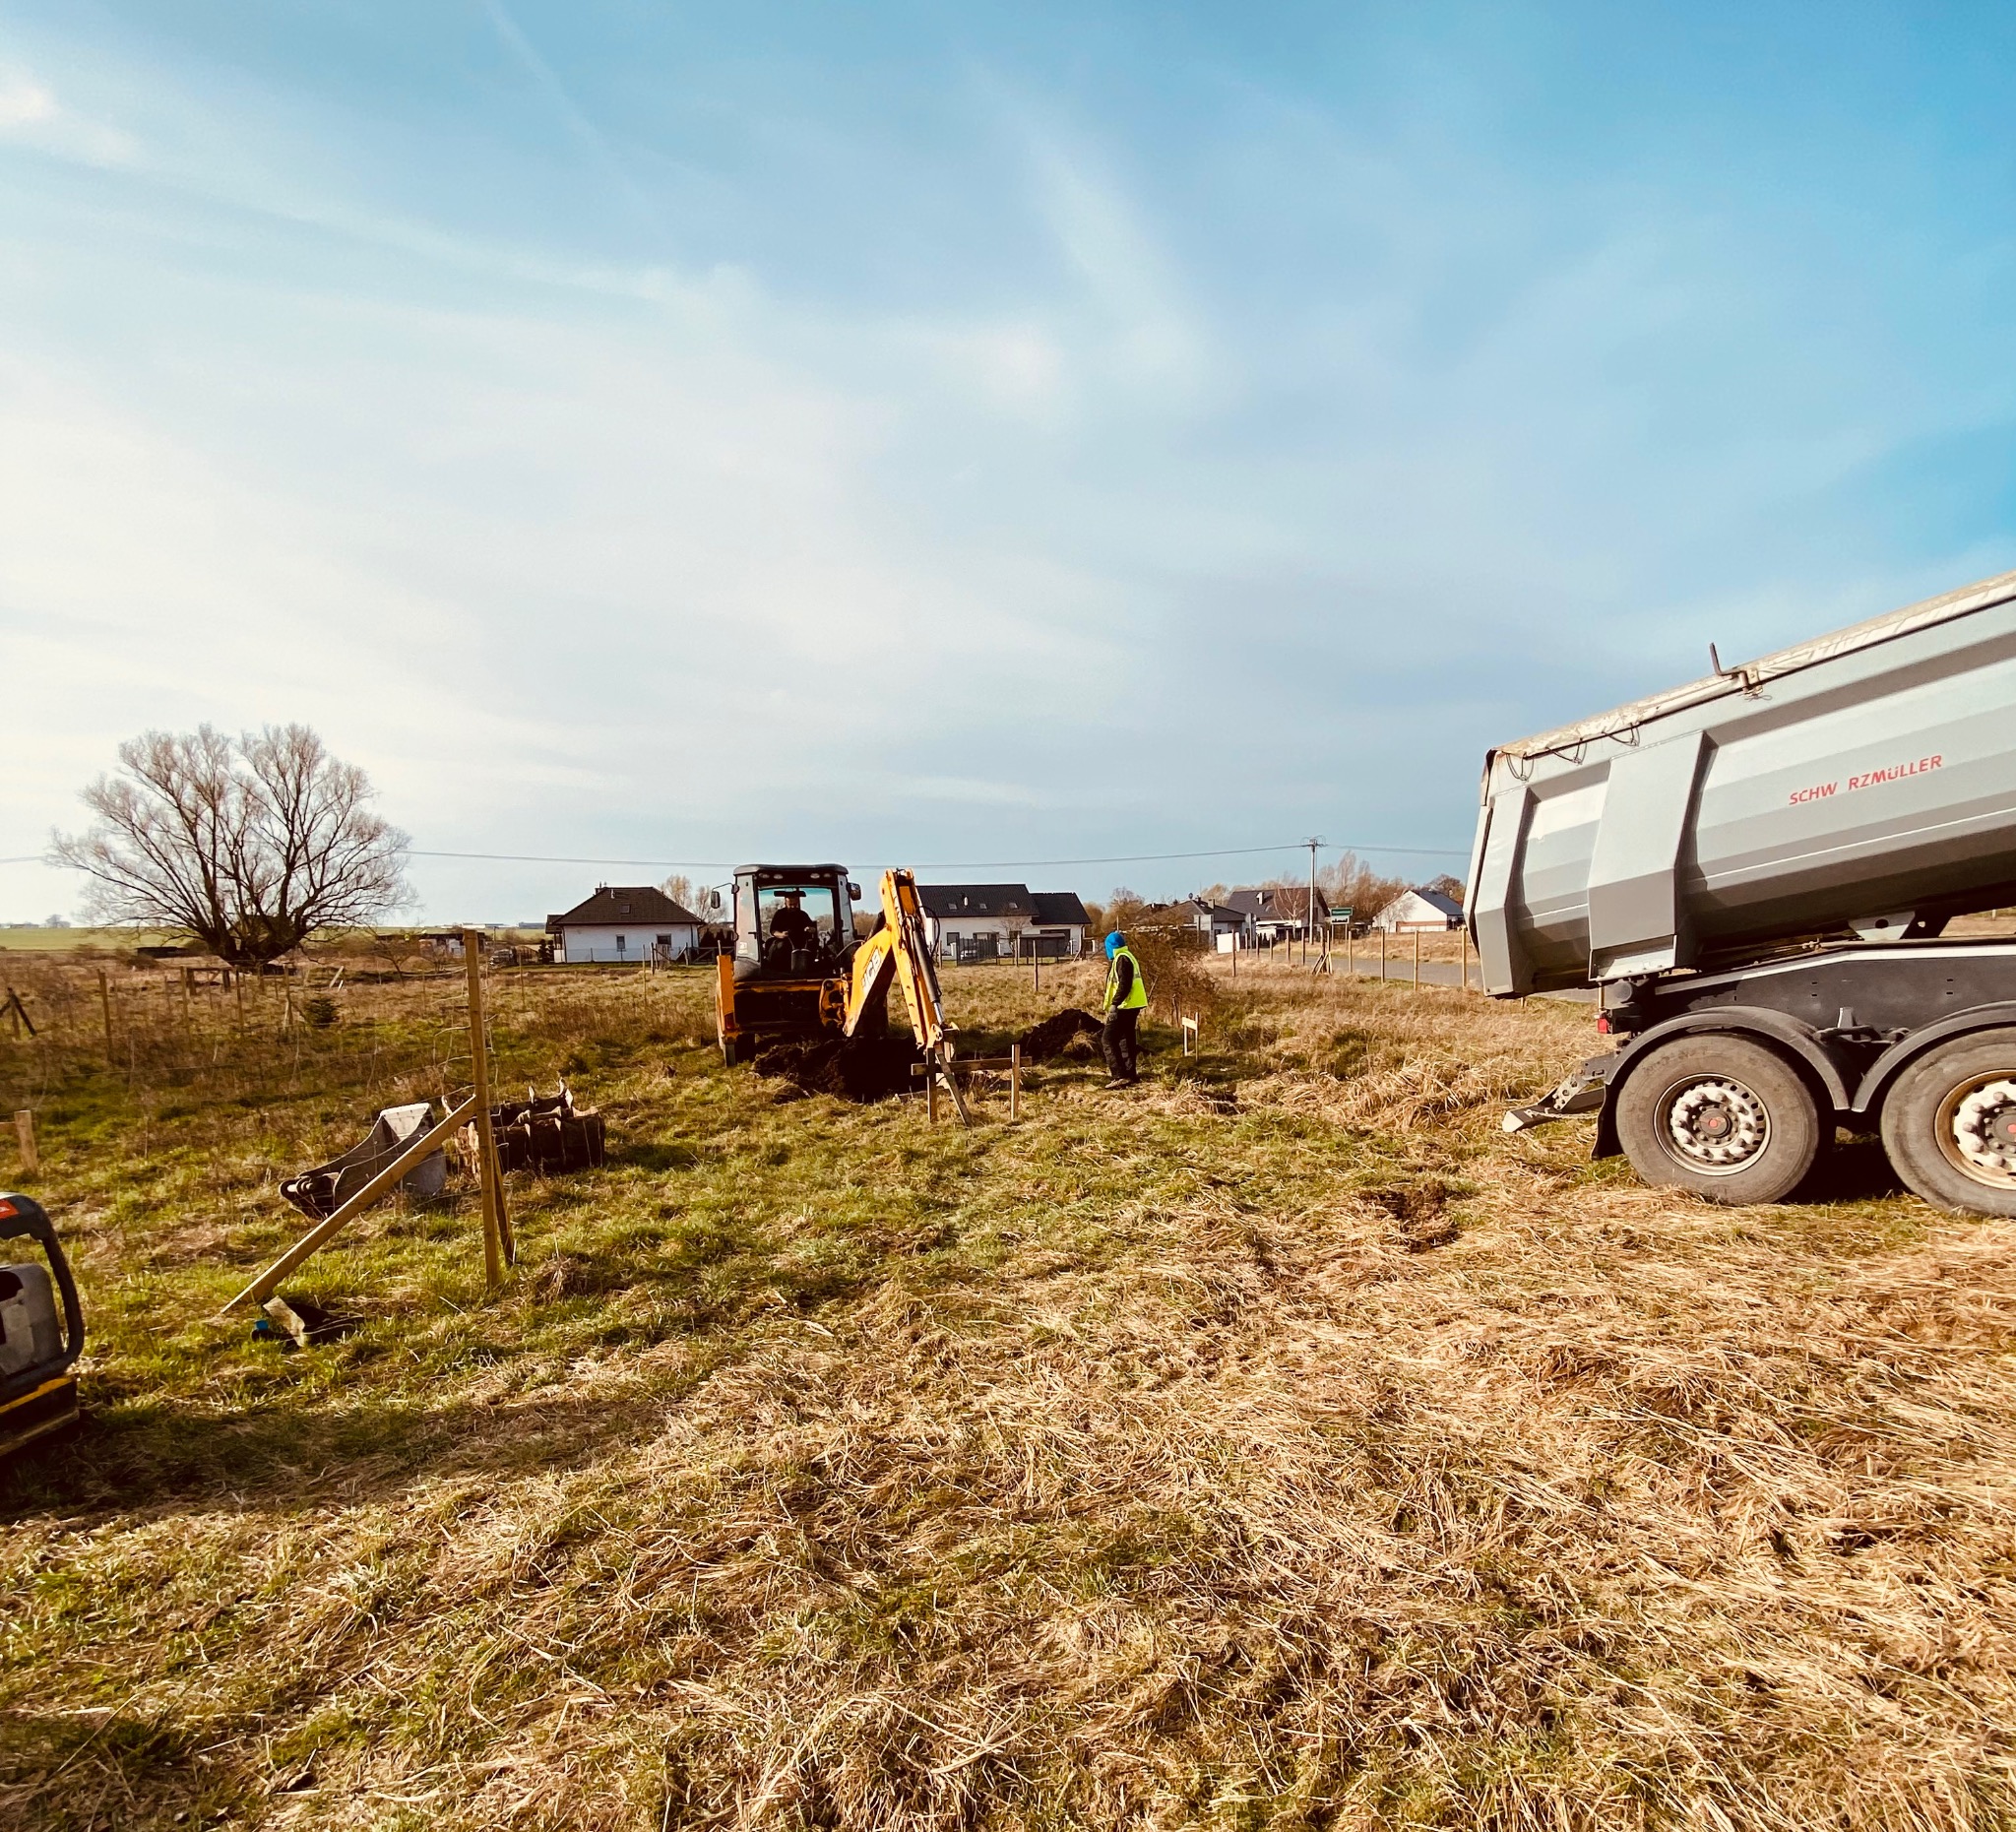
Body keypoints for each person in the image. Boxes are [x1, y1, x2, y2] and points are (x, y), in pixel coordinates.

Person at [1101, 929, 1147, 1084]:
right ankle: (1130, 1075)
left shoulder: (1121, 959)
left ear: (1110, 946)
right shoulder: (1128, 957)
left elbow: (1124, 985)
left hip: (1124, 1006)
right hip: (1131, 1005)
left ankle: (1119, 1076)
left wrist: (1114, 1004)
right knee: (1125, 1040)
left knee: (1108, 1039)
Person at [768, 889, 819, 957]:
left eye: (795, 904)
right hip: (784, 942)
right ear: (785, 903)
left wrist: (810, 929)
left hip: (801, 942)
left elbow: (813, 929)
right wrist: (781, 935)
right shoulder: (779, 914)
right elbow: (773, 930)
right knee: (781, 946)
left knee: (813, 945)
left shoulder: (802, 914)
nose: (793, 906)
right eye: (791, 904)